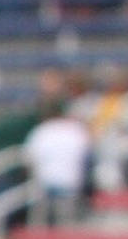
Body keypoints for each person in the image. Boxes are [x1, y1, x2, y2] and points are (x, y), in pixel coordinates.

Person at [22, 83, 94, 220]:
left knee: (42, 221)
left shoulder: (41, 131)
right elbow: (89, 155)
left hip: (46, 183)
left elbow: (28, 160)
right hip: (71, 182)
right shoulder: (75, 129)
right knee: (66, 225)